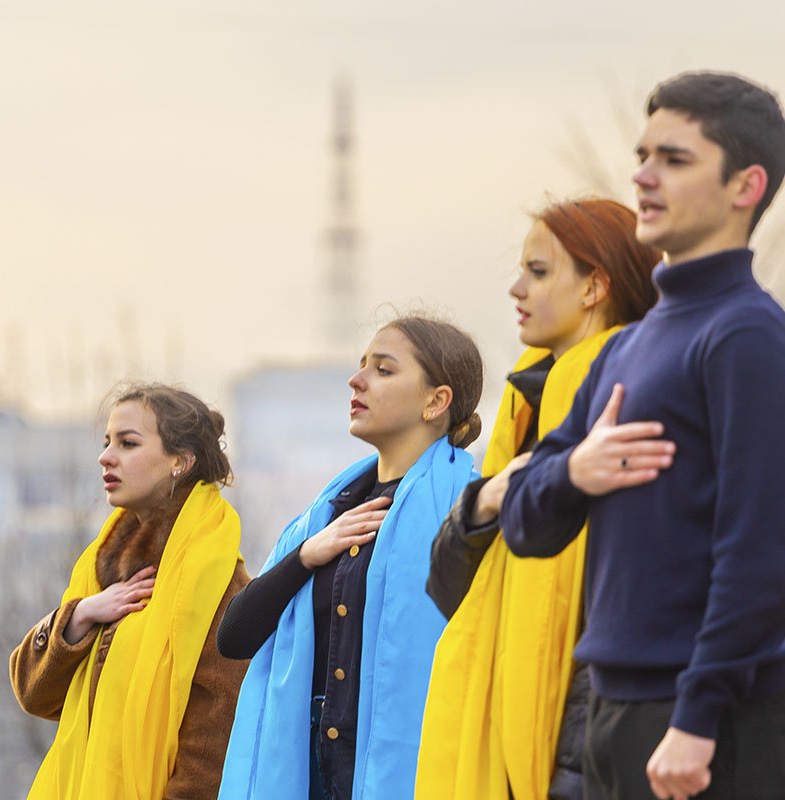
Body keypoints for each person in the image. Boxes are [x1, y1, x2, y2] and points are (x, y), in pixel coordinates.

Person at [500, 71, 785, 800]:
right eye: (643, 155)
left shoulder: (747, 335)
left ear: (745, 186)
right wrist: (576, 472)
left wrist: (697, 717)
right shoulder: (631, 345)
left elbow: (760, 548)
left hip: (708, 722)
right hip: (613, 711)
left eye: (675, 159)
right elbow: (527, 520)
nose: (643, 177)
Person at [416, 198, 660, 800]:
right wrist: (487, 501)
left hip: (581, 742)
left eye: (539, 271)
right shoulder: (524, 409)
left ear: (594, 287)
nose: (516, 288)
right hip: (502, 724)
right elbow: (449, 591)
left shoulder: (638, 399)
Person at [218, 315, 484, 800]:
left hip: (416, 770)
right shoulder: (325, 514)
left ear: (436, 401)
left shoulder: (467, 513)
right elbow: (235, 637)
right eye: (361, 366)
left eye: (383, 370)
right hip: (308, 774)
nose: (356, 380)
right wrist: (306, 555)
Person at [10, 383, 250, 799]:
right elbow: (33, 693)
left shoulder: (217, 580)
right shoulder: (101, 570)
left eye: (128, 443)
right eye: (107, 443)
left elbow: (213, 749)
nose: (106, 457)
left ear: (180, 460)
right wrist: (80, 615)